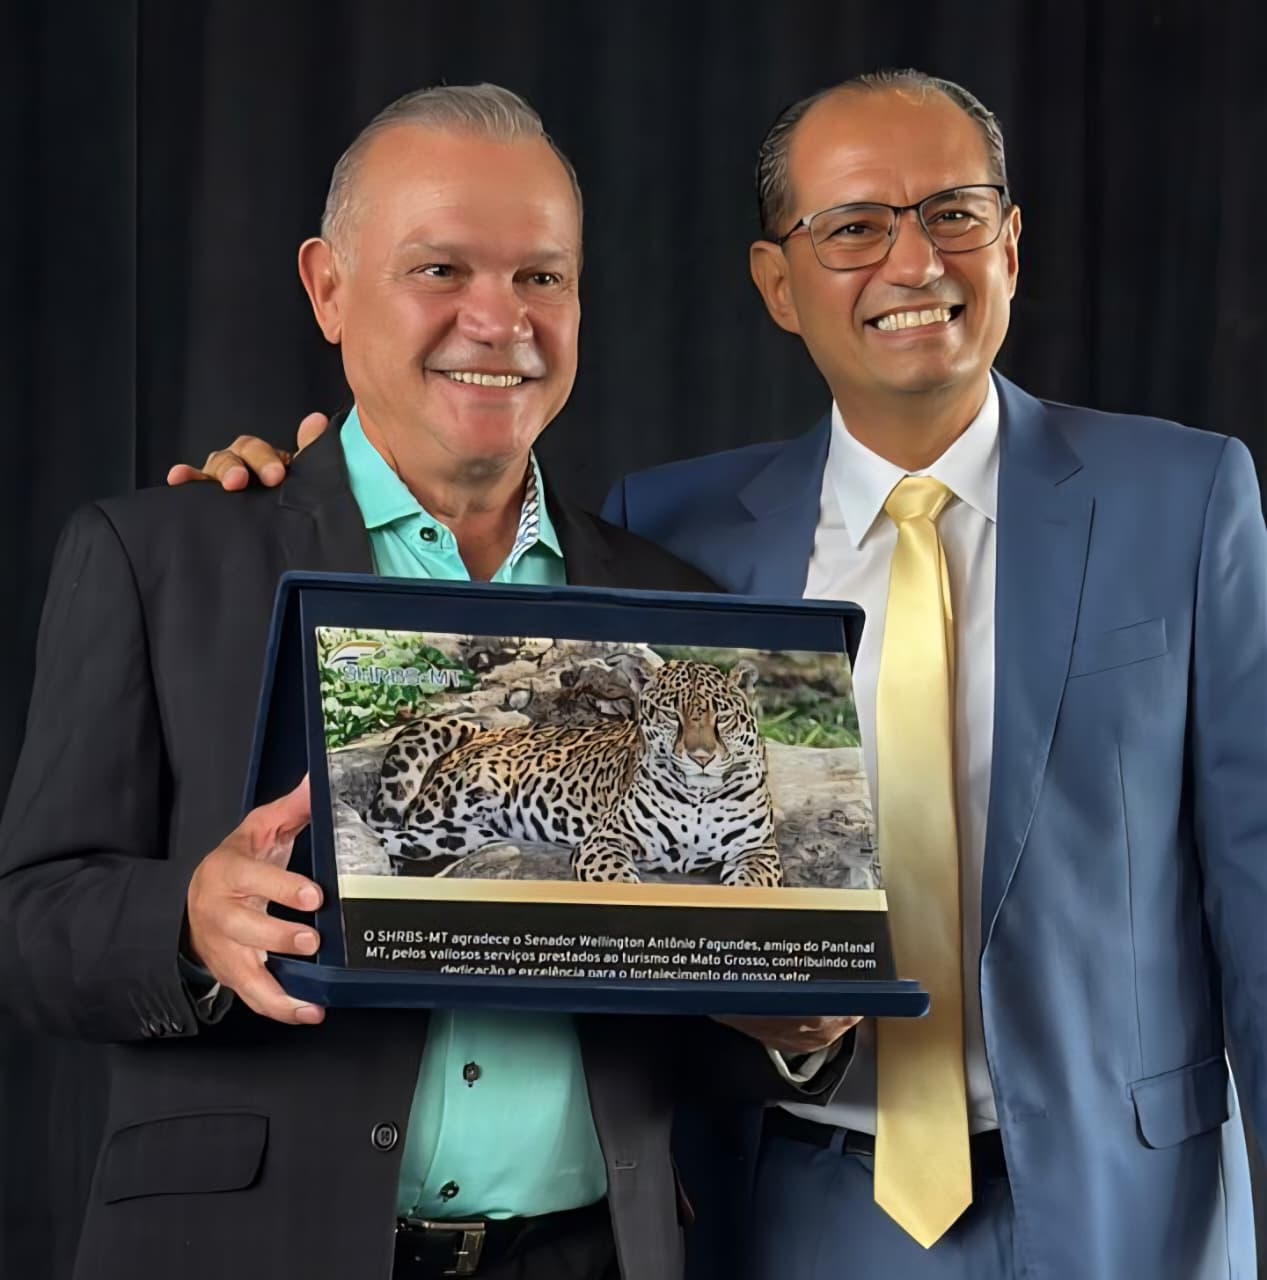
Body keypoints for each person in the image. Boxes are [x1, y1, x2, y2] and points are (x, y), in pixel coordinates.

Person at [202, 70, 1267, 1280]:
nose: (913, 261)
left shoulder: (1181, 499)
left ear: (1011, 244)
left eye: (955, 213)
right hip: (794, 1200)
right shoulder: (673, 531)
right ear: (778, 285)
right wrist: (299, 492)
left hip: (1128, 1205)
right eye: (855, 226)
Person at [0, 84, 852, 1280]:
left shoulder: (679, 614)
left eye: (541, 277)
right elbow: (30, 918)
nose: (497, 319)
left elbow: (690, 1004)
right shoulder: (163, 554)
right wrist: (187, 918)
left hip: (593, 1254)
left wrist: (795, 1032)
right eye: (440, 269)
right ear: (329, 288)